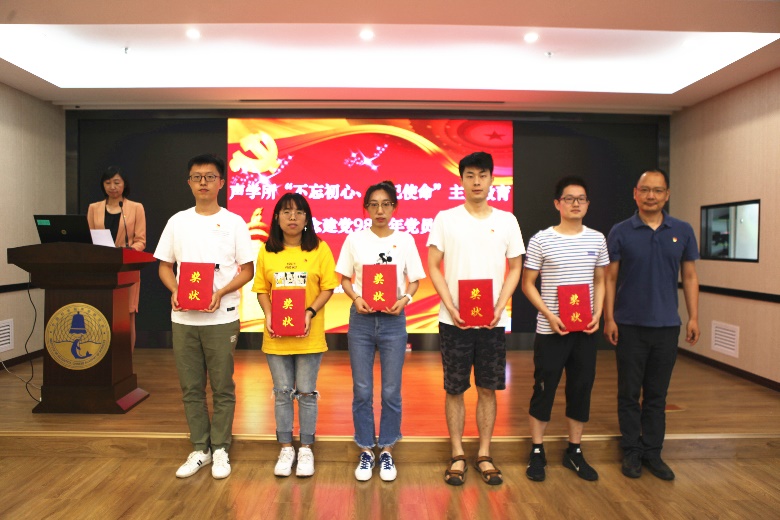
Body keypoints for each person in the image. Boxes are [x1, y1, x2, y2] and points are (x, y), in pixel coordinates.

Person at [154, 154, 254, 480]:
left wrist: (221, 292)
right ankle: (200, 448)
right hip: (184, 319)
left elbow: (247, 270)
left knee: (223, 386)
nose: (203, 182)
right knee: (191, 388)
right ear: (189, 183)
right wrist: (174, 290)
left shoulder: (234, 222)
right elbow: (165, 266)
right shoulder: (177, 221)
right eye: (197, 177)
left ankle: (221, 448)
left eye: (210, 177)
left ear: (221, 182)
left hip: (221, 317)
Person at [427, 151, 524, 486]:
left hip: (492, 322)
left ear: (492, 179)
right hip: (453, 320)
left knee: (487, 388)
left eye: (483, 175)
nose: (477, 181)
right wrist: (450, 305)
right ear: (461, 180)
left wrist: (501, 305)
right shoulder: (446, 219)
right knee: (454, 389)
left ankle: (484, 454)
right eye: (470, 175)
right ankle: (457, 454)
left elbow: (516, 267)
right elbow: (433, 265)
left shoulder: (507, 220)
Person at [604, 168, 700, 481]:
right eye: (645, 190)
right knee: (629, 393)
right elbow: (609, 278)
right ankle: (632, 451)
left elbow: (689, 276)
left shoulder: (682, 230)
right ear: (635, 193)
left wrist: (693, 317)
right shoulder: (620, 231)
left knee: (657, 395)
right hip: (629, 325)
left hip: (667, 326)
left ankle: (653, 453)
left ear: (666, 195)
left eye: (658, 191)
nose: (651, 196)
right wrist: (609, 317)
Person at [335, 180, 426, 482]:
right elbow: (344, 278)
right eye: (373, 204)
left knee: (391, 390)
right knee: (362, 389)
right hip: (361, 320)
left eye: (386, 204)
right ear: (366, 208)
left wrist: (405, 299)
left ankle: (386, 448)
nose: (380, 210)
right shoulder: (354, 239)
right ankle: (365, 448)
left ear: (394, 207)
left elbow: (415, 279)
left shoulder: (405, 240)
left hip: (392, 321)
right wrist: (356, 297)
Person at [521, 176, 609, 483]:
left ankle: (574, 450)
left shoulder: (597, 239)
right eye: (569, 199)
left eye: (581, 199)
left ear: (588, 204)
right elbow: (527, 284)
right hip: (551, 331)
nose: (575, 204)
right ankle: (537, 451)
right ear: (557, 203)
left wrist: (598, 314)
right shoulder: (541, 240)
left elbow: (600, 280)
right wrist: (549, 314)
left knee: (581, 389)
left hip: (585, 331)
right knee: (543, 389)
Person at [252, 193, 338, 478]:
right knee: (282, 393)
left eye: (299, 212)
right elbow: (262, 289)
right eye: (287, 212)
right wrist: (268, 315)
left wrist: (309, 312)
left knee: (307, 393)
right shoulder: (267, 251)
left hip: (308, 336)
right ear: (276, 217)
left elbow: (328, 286)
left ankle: (307, 449)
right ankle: (286, 447)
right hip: (276, 337)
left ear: (307, 219)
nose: (293, 217)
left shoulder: (320, 249)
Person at [87, 166, 146, 350]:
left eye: (116, 182)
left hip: (126, 268)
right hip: (101, 268)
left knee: (127, 315)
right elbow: (88, 238)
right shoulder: (94, 208)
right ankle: (100, 355)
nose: (112, 187)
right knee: (100, 312)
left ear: (124, 184)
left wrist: (126, 252)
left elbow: (141, 241)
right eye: (108, 182)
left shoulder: (136, 208)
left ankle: (125, 360)